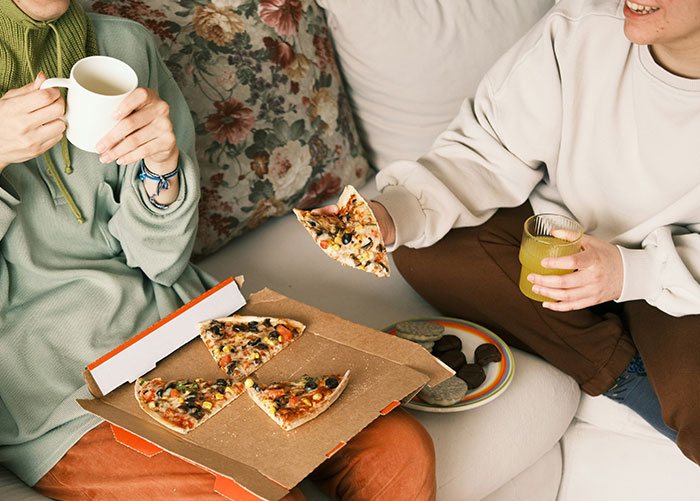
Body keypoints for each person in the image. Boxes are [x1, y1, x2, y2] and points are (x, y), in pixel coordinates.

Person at [0, 1, 436, 499]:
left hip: (183, 328)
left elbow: (160, 260)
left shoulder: (123, 47)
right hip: (56, 392)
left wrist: (162, 166)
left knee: (400, 448)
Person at [346, 0, 700, 465]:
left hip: (684, 279)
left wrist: (633, 272)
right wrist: (391, 214)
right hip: (561, 241)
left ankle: (632, 360)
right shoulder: (581, 27)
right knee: (424, 243)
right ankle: (623, 374)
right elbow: (487, 147)